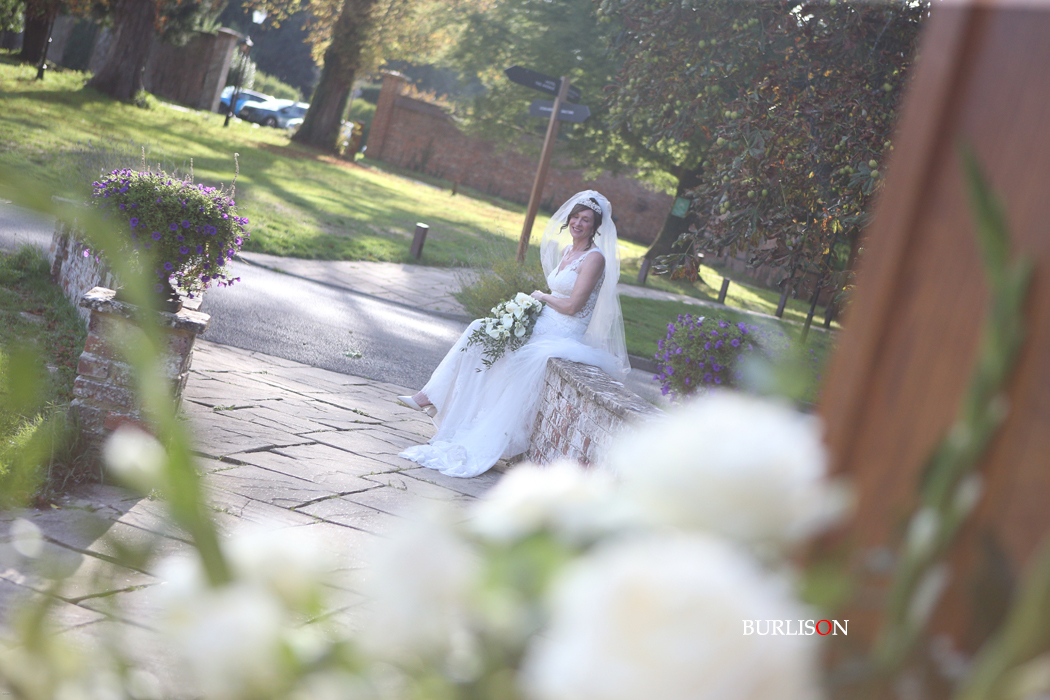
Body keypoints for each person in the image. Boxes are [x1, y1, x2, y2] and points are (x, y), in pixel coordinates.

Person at [397, 190, 630, 478]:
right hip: (546, 319)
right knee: (479, 329)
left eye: (586, 220)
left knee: (486, 338)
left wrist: (541, 297)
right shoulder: (568, 251)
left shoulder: (594, 259)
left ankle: (434, 400)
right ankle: (432, 397)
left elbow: (573, 306)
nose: (578, 223)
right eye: (576, 217)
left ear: (595, 227)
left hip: (563, 330)